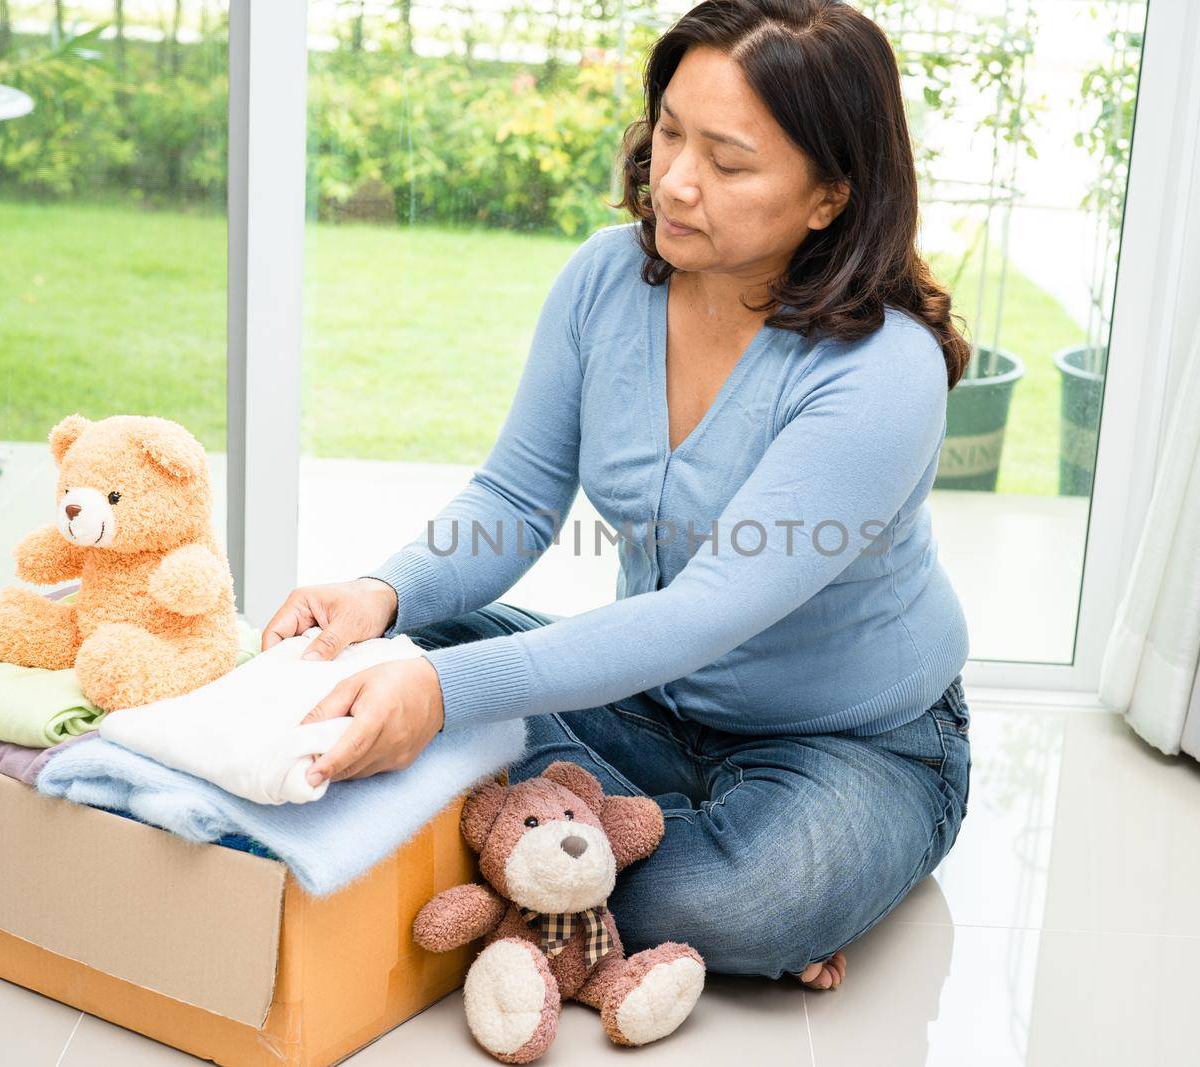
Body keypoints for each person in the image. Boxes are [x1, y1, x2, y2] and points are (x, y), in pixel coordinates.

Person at [262, 0, 973, 992]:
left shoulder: (880, 369)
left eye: (727, 162)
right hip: (643, 700)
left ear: (827, 196)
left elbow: (704, 611)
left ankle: (581, 850)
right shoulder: (604, 281)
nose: (674, 179)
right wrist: (380, 594)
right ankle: (577, 852)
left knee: (733, 904)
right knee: (391, 653)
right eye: (670, 131)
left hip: (849, 740)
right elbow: (515, 496)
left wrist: (441, 702)